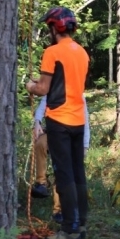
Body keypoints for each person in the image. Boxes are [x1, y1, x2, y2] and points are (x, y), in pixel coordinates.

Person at [25, 7, 90, 239]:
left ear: (56, 27)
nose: (49, 32)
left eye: (50, 27)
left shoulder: (52, 52)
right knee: (77, 173)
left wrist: (29, 86)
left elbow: (43, 88)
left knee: (64, 174)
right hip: (78, 119)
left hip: (59, 120)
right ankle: (80, 223)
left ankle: (69, 229)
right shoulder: (82, 52)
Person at [31, 93, 90, 224]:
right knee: (40, 143)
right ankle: (41, 183)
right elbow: (42, 106)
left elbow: (85, 121)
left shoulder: (78, 95)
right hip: (52, 134)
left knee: (63, 172)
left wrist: (84, 146)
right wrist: (37, 122)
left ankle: (59, 210)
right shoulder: (54, 88)